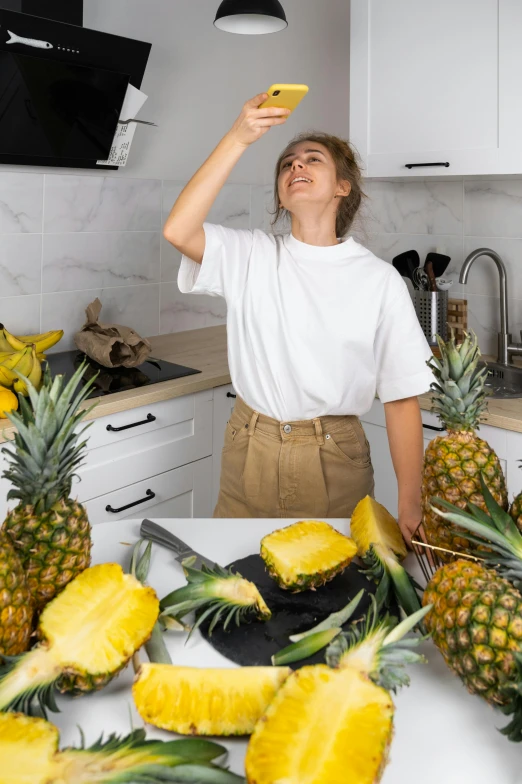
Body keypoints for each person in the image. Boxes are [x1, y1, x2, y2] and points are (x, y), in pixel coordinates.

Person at [163, 92, 433, 544]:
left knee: (330, 596)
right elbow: (178, 230)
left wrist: (410, 500)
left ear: (342, 187)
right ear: (281, 195)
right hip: (249, 447)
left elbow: (402, 398)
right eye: (287, 164)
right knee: (236, 584)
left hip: (334, 458)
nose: (296, 168)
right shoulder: (251, 255)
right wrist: (238, 137)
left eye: (312, 160)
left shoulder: (378, 280)